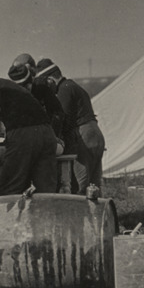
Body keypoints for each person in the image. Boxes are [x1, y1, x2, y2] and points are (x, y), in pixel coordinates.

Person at [0, 62, 57, 196]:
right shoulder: (10, 87)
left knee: (9, 190)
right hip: (47, 133)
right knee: (45, 191)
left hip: (24, 135)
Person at [37, 57, 106, 196]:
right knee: (94, 183)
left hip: (83, 135)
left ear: (50, 80)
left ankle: (81, 209)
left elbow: (63, 119)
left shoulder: (64, 90)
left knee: (80, 184)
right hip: (95, 133)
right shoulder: (73, 86)